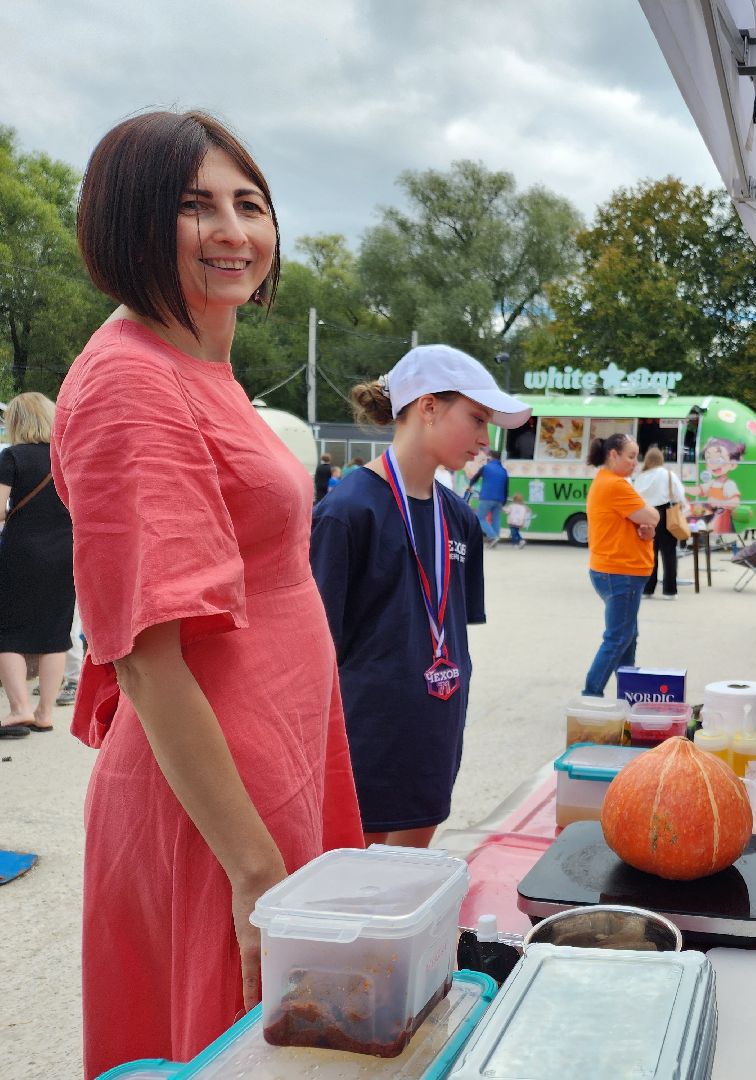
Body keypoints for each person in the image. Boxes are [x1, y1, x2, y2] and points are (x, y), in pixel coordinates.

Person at [53, 110, 363, 1078]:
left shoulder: (197, 362)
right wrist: (256, 872)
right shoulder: (132, 383)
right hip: (219, 802)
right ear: (130, 223)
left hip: (274, 751)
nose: (234, 231)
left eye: (250, 203)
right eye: (195, 207)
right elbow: (145, 658)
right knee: (237, 1043)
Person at [311, 344, 529, 848]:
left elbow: (453, 626)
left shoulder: (461, 518)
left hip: (435, 725)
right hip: (362, 734)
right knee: (352, 891)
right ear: (428, 406)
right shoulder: (346, 512)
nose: (484, 439)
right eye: (477, 419)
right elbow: (317, 648)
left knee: (406, 887)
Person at [0, 393, 75, 733]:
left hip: (21, 553)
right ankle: (45, 713)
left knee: (9, 632)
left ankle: (20, 709)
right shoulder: (66, 457)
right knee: (55, 633)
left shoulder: (11, 457)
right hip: (65, 552)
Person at [582, 433, 658, 696]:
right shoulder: (616, 485)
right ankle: (592, 693)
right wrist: (650, 520)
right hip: (620, 571)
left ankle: (627, 693)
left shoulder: (607, 481)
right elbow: (652, 516)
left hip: (614, 570)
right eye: (631, 456)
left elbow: (641, 523)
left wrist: (646, 529)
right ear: (613, 455)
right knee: (618, 638)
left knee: (626, 636)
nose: (635, 462)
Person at [633, 445, 686, 599]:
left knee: (650, 554)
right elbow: (679, 495)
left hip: (645, 515)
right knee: (669, 554)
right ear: (661, 459)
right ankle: (670, 591)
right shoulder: (668, 474)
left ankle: (648, 589)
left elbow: (635, 497)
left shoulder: (641, 477)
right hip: (666, 515)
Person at [474, 449, 508, 549]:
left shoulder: (486, 467)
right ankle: (495, 539)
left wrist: (470, 485)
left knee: (480, 518)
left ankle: (492, 536)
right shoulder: (503, 470)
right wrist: (504, 500)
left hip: (487, 497)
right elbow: (506, 487)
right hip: (499, 499)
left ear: (491, 457)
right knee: (496, 519)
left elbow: (476, 477)